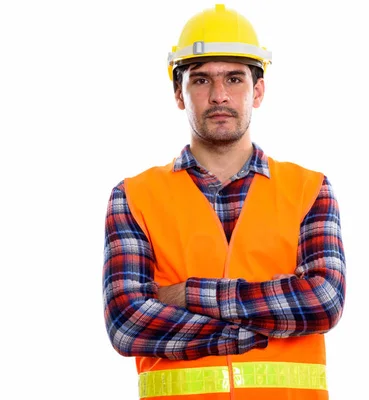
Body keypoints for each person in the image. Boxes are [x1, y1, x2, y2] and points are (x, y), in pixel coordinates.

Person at [102, 4, 346, 400]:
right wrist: (252, 330)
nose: (219, 95)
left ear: (258, 90)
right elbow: (127, 322)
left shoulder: (310, 189)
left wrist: (185, 294)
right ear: (179, 93)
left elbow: (323, 302)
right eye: (201, 80)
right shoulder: (133, 196)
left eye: (234, 78)